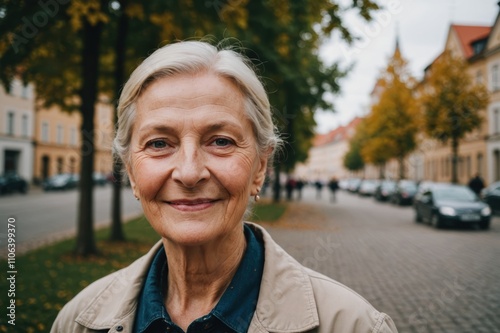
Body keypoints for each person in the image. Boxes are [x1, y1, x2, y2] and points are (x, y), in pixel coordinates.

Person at [51, 41, 398, 333]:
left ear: (261, 166)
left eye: (220, 141)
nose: (189, 173)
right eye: (159, 143)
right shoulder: (77, 321)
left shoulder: (353, 324)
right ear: (130, 170)